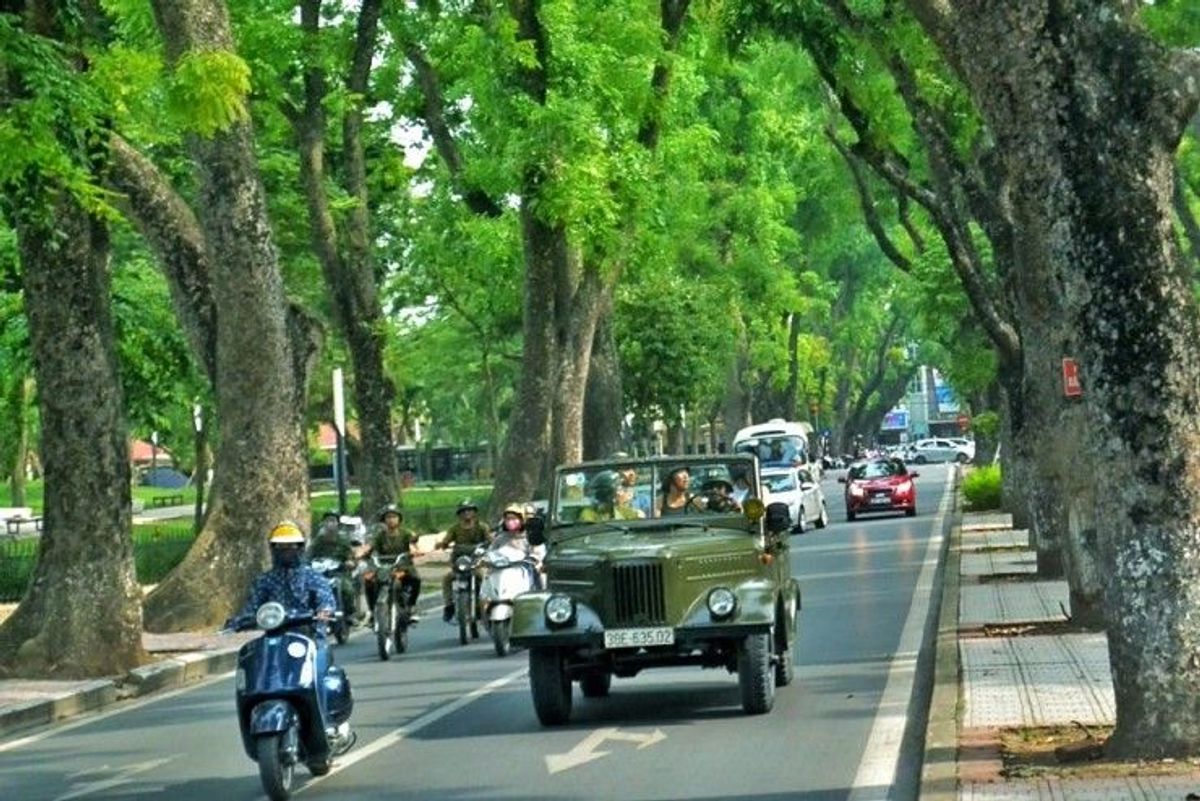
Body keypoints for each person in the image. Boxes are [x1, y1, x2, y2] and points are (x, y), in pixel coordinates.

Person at [233, 521, 337, 707]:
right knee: (255, 677)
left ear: (300, 548)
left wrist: (324, 612)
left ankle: (324, 719)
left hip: (311, 638)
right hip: (274, 642)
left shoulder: (313, 577)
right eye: (281, 547)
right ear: (273, 549)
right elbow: (252, 607)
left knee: (317, 675)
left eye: (291, 546)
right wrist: (239, 621)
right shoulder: (265, 580)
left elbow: (325, 600)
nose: (286, 551)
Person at [362, 503, 422, 623]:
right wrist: (364, 553)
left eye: (394, 517)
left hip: (403, 566)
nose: (391, 520)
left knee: (416, 579)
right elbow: (371, 546)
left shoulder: (405, 533)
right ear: (384, 520)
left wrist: (415, 550)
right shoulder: (380, 535)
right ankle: (373, 612)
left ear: (399, 519)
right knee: (368, 580)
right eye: (388, 517)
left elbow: (413, 542)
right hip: (383, 567)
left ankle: (412, 606)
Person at [436, 500, 493, 622]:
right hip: (460, 562)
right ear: (459, 514)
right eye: (463, 511)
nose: (466, 513)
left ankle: (485, 603)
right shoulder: (454, 529)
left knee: (483, 576)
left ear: (474, 512)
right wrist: (442, 544)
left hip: (477, 562)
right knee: (447, 578)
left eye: (469, 510)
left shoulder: (482, 527)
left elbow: (490, 540)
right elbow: (446, 540)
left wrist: (490, 544)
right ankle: (449, 605)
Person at [307, 512, 359, 623]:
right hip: (321, 573)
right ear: (323, 524)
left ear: (337, 524)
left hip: (339, 573)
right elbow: (308, 555)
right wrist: (306, 563)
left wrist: (350, 562)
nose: (330, 523)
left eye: (333, 521)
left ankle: (349, 613)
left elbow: (351, 556)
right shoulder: (318, 541)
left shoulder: (343, 541)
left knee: (347, 589)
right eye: (327, 521)